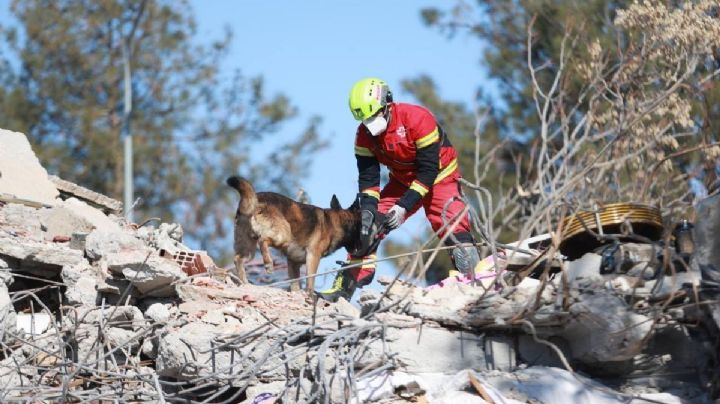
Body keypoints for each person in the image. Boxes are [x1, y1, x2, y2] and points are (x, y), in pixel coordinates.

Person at [317, 78, 480, 302]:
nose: (370, 123)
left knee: (452, 224)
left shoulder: (418, 119)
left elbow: (428, 170)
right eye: (365, 119)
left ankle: (473, 282)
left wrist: (403, 206)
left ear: (387, 104)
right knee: (365, 226)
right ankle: (346, 285)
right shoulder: (363, 136)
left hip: (440, 176)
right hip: (402, 180)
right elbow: (368, 178)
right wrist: (368, 212)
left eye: (374, 116)